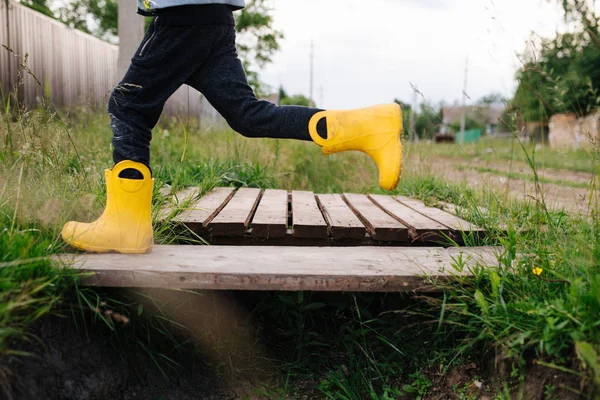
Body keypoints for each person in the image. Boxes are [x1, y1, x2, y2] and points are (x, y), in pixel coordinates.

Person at [61, 0, 403, 254]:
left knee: (128, 105)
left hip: (182, 15)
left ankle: (126, 226)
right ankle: (369, 125)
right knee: (248, 116)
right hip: (213, 16)